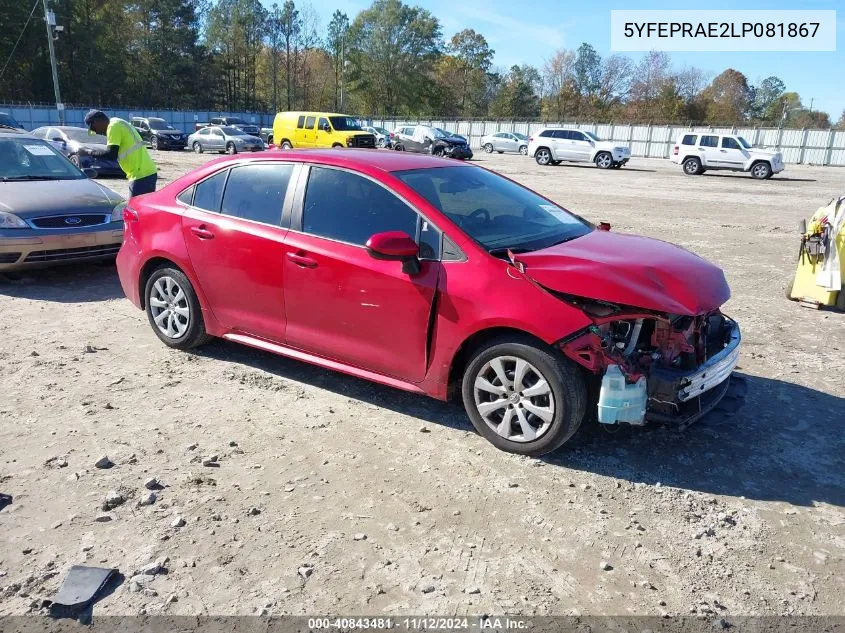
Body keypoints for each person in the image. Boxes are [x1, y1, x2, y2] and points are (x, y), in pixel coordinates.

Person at [77, 109, 158, 196]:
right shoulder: (117, 122)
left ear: (97, 121)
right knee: (141, 208)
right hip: (144, 173)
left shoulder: (113, 126)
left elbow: (111, 154)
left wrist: (88, 152)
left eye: (93, 129)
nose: (97, 132)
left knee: (134, 208)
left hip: (141, 175)